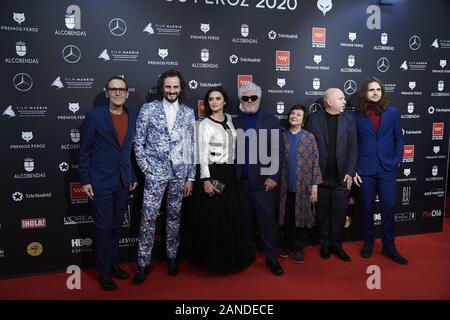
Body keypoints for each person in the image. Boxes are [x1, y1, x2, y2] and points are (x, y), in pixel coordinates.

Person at [132, 70, 195, 284]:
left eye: (175, 87)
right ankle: (143, 263)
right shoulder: (148, 109)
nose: (171, 90)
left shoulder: (188, 112)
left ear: (181, 88)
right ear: (162, 88)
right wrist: (146, 168)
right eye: (168, 86)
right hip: (154, 174)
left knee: (175, 218)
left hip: (179, 175)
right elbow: (138, 142)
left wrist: (191, 177)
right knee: (148, 217)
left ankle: (172, 258)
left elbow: (191, 146)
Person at [79, 75, 138, 291]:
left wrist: (131, 176)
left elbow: (129, 152)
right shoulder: (94, 116)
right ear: (107, 93)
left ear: (127, 94)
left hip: (123, 181)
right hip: (100, 182)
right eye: (113, 89)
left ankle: (114, 264)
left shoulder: (133, 116)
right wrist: (85, 180)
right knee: (103, 228)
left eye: (121, 90)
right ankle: (103, 272)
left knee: (115, 228)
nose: (117, 93)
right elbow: (84, 151)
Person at [186, 86, 249, 274]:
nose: (214, 102)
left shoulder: (230, 120)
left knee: (229, 215)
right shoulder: (204, 124)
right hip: (213, 172)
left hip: (230, 172)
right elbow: (202, 154)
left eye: (217, 98)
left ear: (224, 101)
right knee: (214, 216)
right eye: (211, 99)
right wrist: (205, 180)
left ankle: (229, 257)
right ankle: (213, 260)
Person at [353, 77, 408, 264]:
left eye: (378, 89)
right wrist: (355, 170)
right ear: (365, 93)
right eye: (371, 90)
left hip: (387, 169)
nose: (375, 92)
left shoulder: (392, 112)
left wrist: (397, 160)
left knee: (389, 207)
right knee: (366, 208)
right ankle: (368, 243)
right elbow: (352, 145)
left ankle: (389, 247)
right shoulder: (356, 115)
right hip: (365, 170)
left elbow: (399, 139)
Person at [233, 82, 285, 276]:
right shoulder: (235, 122)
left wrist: (273, 176)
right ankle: (249, 255)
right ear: (240, 101)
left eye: (253, 98)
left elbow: (277, 151)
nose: (249, 101)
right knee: (245, 223)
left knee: (267, 224)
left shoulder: (271, 121)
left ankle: (272, 259)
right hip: (242, 183)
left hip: (264, 184)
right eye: (245, 98)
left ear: (259, 99)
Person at [308, 88, 357, 262]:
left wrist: (351, 172)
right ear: (329, 102)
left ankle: (337, 246)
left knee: (339, 215)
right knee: (322, 215)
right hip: (320, 178)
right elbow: (309, 148)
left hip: (341, 179)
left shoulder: (349, 120)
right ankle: (325, 246)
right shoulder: (314, 119)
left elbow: (353, 148)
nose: (345, 101)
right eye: (341, 98)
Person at [278, 104, 322, 264]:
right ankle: (286, 246)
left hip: (304, 187)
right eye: (292, 113)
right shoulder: (282, 136)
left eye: (298, 115)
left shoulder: (309, 137)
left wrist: (315, 186)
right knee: (287, 218)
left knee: (301, 219)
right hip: (284, 186)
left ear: (303, 120)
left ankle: (297, 249)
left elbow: (315, 162)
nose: (294, 116)